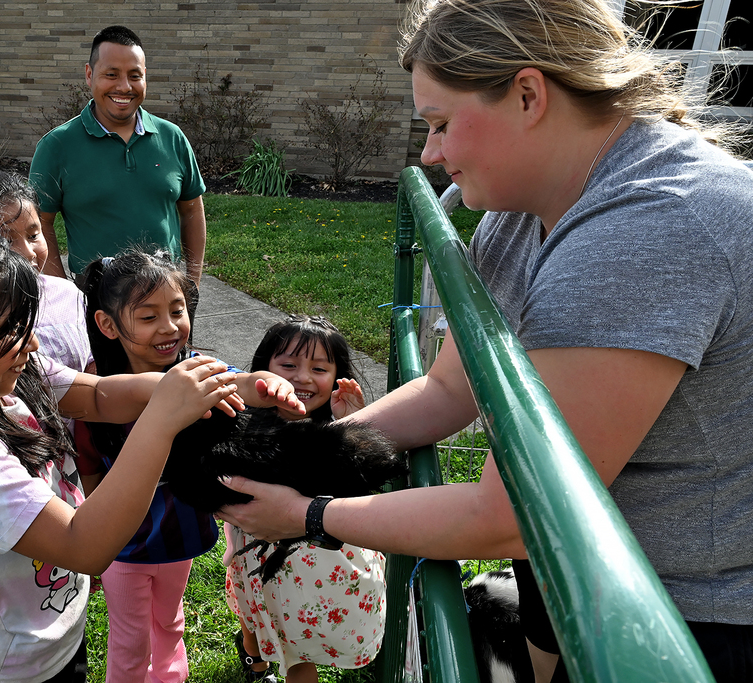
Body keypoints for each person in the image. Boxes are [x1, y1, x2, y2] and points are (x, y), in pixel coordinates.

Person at [217, 1, 753, 681]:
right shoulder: (524, 208)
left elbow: (506, 514)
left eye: (441, 124)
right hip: (582, 570)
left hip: (683, 625)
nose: (429, 152)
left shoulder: (648, 230)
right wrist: (309, 453)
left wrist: (310, 512)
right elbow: (448, 387)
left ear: (528, 95)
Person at [0, 224, 241, 683]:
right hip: (2, 665)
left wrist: (216, 386)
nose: (33, 344)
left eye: (27, 326)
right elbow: (84, 545)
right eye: (10, 331)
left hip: (49, 631)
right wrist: (161, 421)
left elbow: (98, 396)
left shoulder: (7, 374)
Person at [73, 249, 306, 683]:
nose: (169, 327)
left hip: (178, 535)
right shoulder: (99, 391)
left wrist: (268, 384)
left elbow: (234, 382)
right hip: (123, 547)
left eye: (177, 310)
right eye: (148, 317)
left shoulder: (194, 369)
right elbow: (89, 466)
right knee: (129, 641)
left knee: (170, 622)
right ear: (108, 325)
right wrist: (92, 541)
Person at [226, 315, 386, 683]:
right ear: (264, 368)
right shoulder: (242, 425)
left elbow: (362, 485)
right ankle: (254, 659)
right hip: (263, 560)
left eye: (318, 368)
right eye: (288, 365)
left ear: (336, 377)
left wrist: (352, 425)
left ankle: (255, 652)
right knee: (267, 628)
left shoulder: (332, 431)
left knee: (292, 637)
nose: (301, 377)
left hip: (328, 565)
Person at [29, 25, 207, 287]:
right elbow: (39, 224)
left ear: (145, 76)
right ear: (89, 75)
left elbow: (192, 209)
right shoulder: (57, 146)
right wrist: (65, 292)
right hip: (95, 295)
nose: (124, 87)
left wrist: (192, 286)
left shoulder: (172, 137)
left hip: (165, 291)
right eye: (111, 74)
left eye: (135, 75)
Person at [0, 169, 93, 373]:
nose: (28, 252)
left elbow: (95, 361)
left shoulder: (70, 296)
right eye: (6, 241)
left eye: (33, 235)